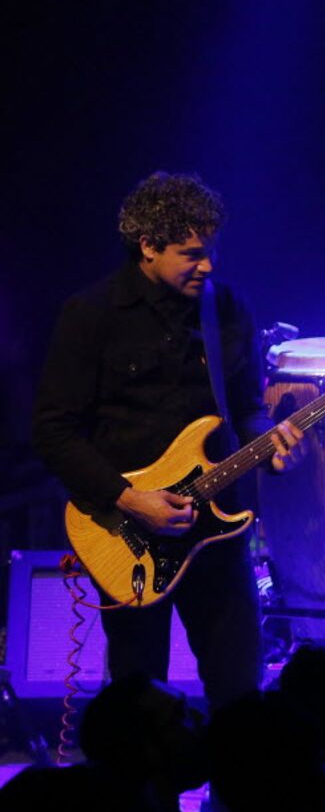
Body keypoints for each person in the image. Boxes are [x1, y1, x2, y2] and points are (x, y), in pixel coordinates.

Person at [31, 171, 303, 710]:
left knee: (239, 690)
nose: (208, 265)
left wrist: (271, 447)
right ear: (148, 247)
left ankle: (236, 796)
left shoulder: (228, 308)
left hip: (217, 530)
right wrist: (131, 500)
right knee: (139, 696)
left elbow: (246, 407)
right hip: (128, 531)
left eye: (211, 250)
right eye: (191, 253)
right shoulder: (91, 315)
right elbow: (53, 430)